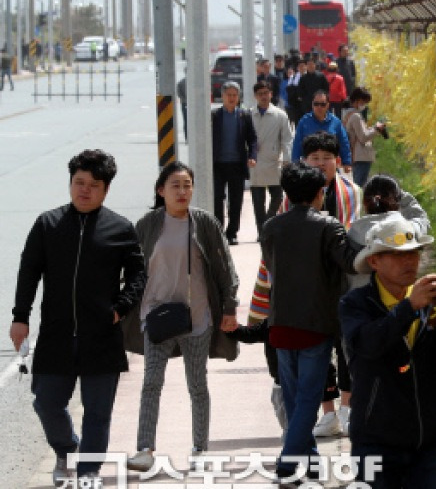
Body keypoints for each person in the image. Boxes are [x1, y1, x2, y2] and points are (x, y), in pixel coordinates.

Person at [10, 149, 147, 484]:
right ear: (71, 183)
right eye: (79, 182)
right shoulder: (48, 224)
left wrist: (120, 308)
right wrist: (20, 316)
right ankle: (68, 450)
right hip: (56, 336)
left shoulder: (120, 229)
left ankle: (88, 471)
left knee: (98, 415)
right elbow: (29, 272)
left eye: (94, 184)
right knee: (46, 404)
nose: (84, 190)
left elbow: (138, 274)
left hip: (101, 336)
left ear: (106, 189)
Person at [121, 161, 241, 471]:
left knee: (197, 385)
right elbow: (131, 270)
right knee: (151, 383)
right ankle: (145, 449)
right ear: (161, 191)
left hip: (198, 318)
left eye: (187, 185)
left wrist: (229, 307)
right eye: (175, 185)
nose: (182, 191)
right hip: (155, 318)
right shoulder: (147, 225)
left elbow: (225, 269)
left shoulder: (204, 223)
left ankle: (200, 448)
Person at [340, 214, 436, 488]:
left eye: (414, 253)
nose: (409, 261)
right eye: (398, 255)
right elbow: (368, 344)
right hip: (376, 440)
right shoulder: (355, 304)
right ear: (374, 261)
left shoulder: (429, 298)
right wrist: (408, 308)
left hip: (430, 439)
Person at [251, 131, 361, 438]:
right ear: (305, 161)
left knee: (345, 350)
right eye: (316, 158)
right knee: (312, 374)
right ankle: (325, 417)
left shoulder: (352, 194)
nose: (322, 164)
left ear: (337, 162)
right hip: (309, 300)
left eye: (328, 158)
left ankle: (346, 409)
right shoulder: (289, 206)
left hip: (340, 290)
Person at [211, 81, 259, 245]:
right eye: (228, 95)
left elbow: (252, 138)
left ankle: (232, 233)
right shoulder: (215, 115)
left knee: (236, 201)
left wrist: (252, 156)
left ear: (238, 97)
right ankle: (217, 232)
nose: (231, 98)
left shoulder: (244, 115)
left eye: (234, 95)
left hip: (237, 164)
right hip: (218, 165)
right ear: (223, 96)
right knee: (217, 199)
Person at [250, 81, 293, 240]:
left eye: (266, 93)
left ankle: (268, 224)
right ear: (255, 96)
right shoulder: (249, 115)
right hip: (254, 163)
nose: (263, 96)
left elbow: (287, 139)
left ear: (271, 94)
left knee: (277, 197)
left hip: (274, 161)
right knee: (257, 202)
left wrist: (287, 158)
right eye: (260, 93)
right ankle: (262, 232)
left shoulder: (280, 115)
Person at [292, 90, 352, 169]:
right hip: (310, 167)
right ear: (312, 104)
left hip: (329, 166)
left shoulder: (336, 122)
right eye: (316, 104)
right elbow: (297, 145)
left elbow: (344, 143)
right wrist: (295, 164)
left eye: (322, 104)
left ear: (328, 105)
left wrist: (346, 162)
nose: (319, 107)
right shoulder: (304, 122)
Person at [342, 87, 388, 187]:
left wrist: (373, 128)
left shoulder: (348, 114)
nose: (364, 105)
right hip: (361, 156)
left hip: (357, 155)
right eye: (364, 102)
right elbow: (363, 137)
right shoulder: (356, 116)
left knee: (359, 185)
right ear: (358, 100)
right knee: (358, 186)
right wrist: (376, 129)